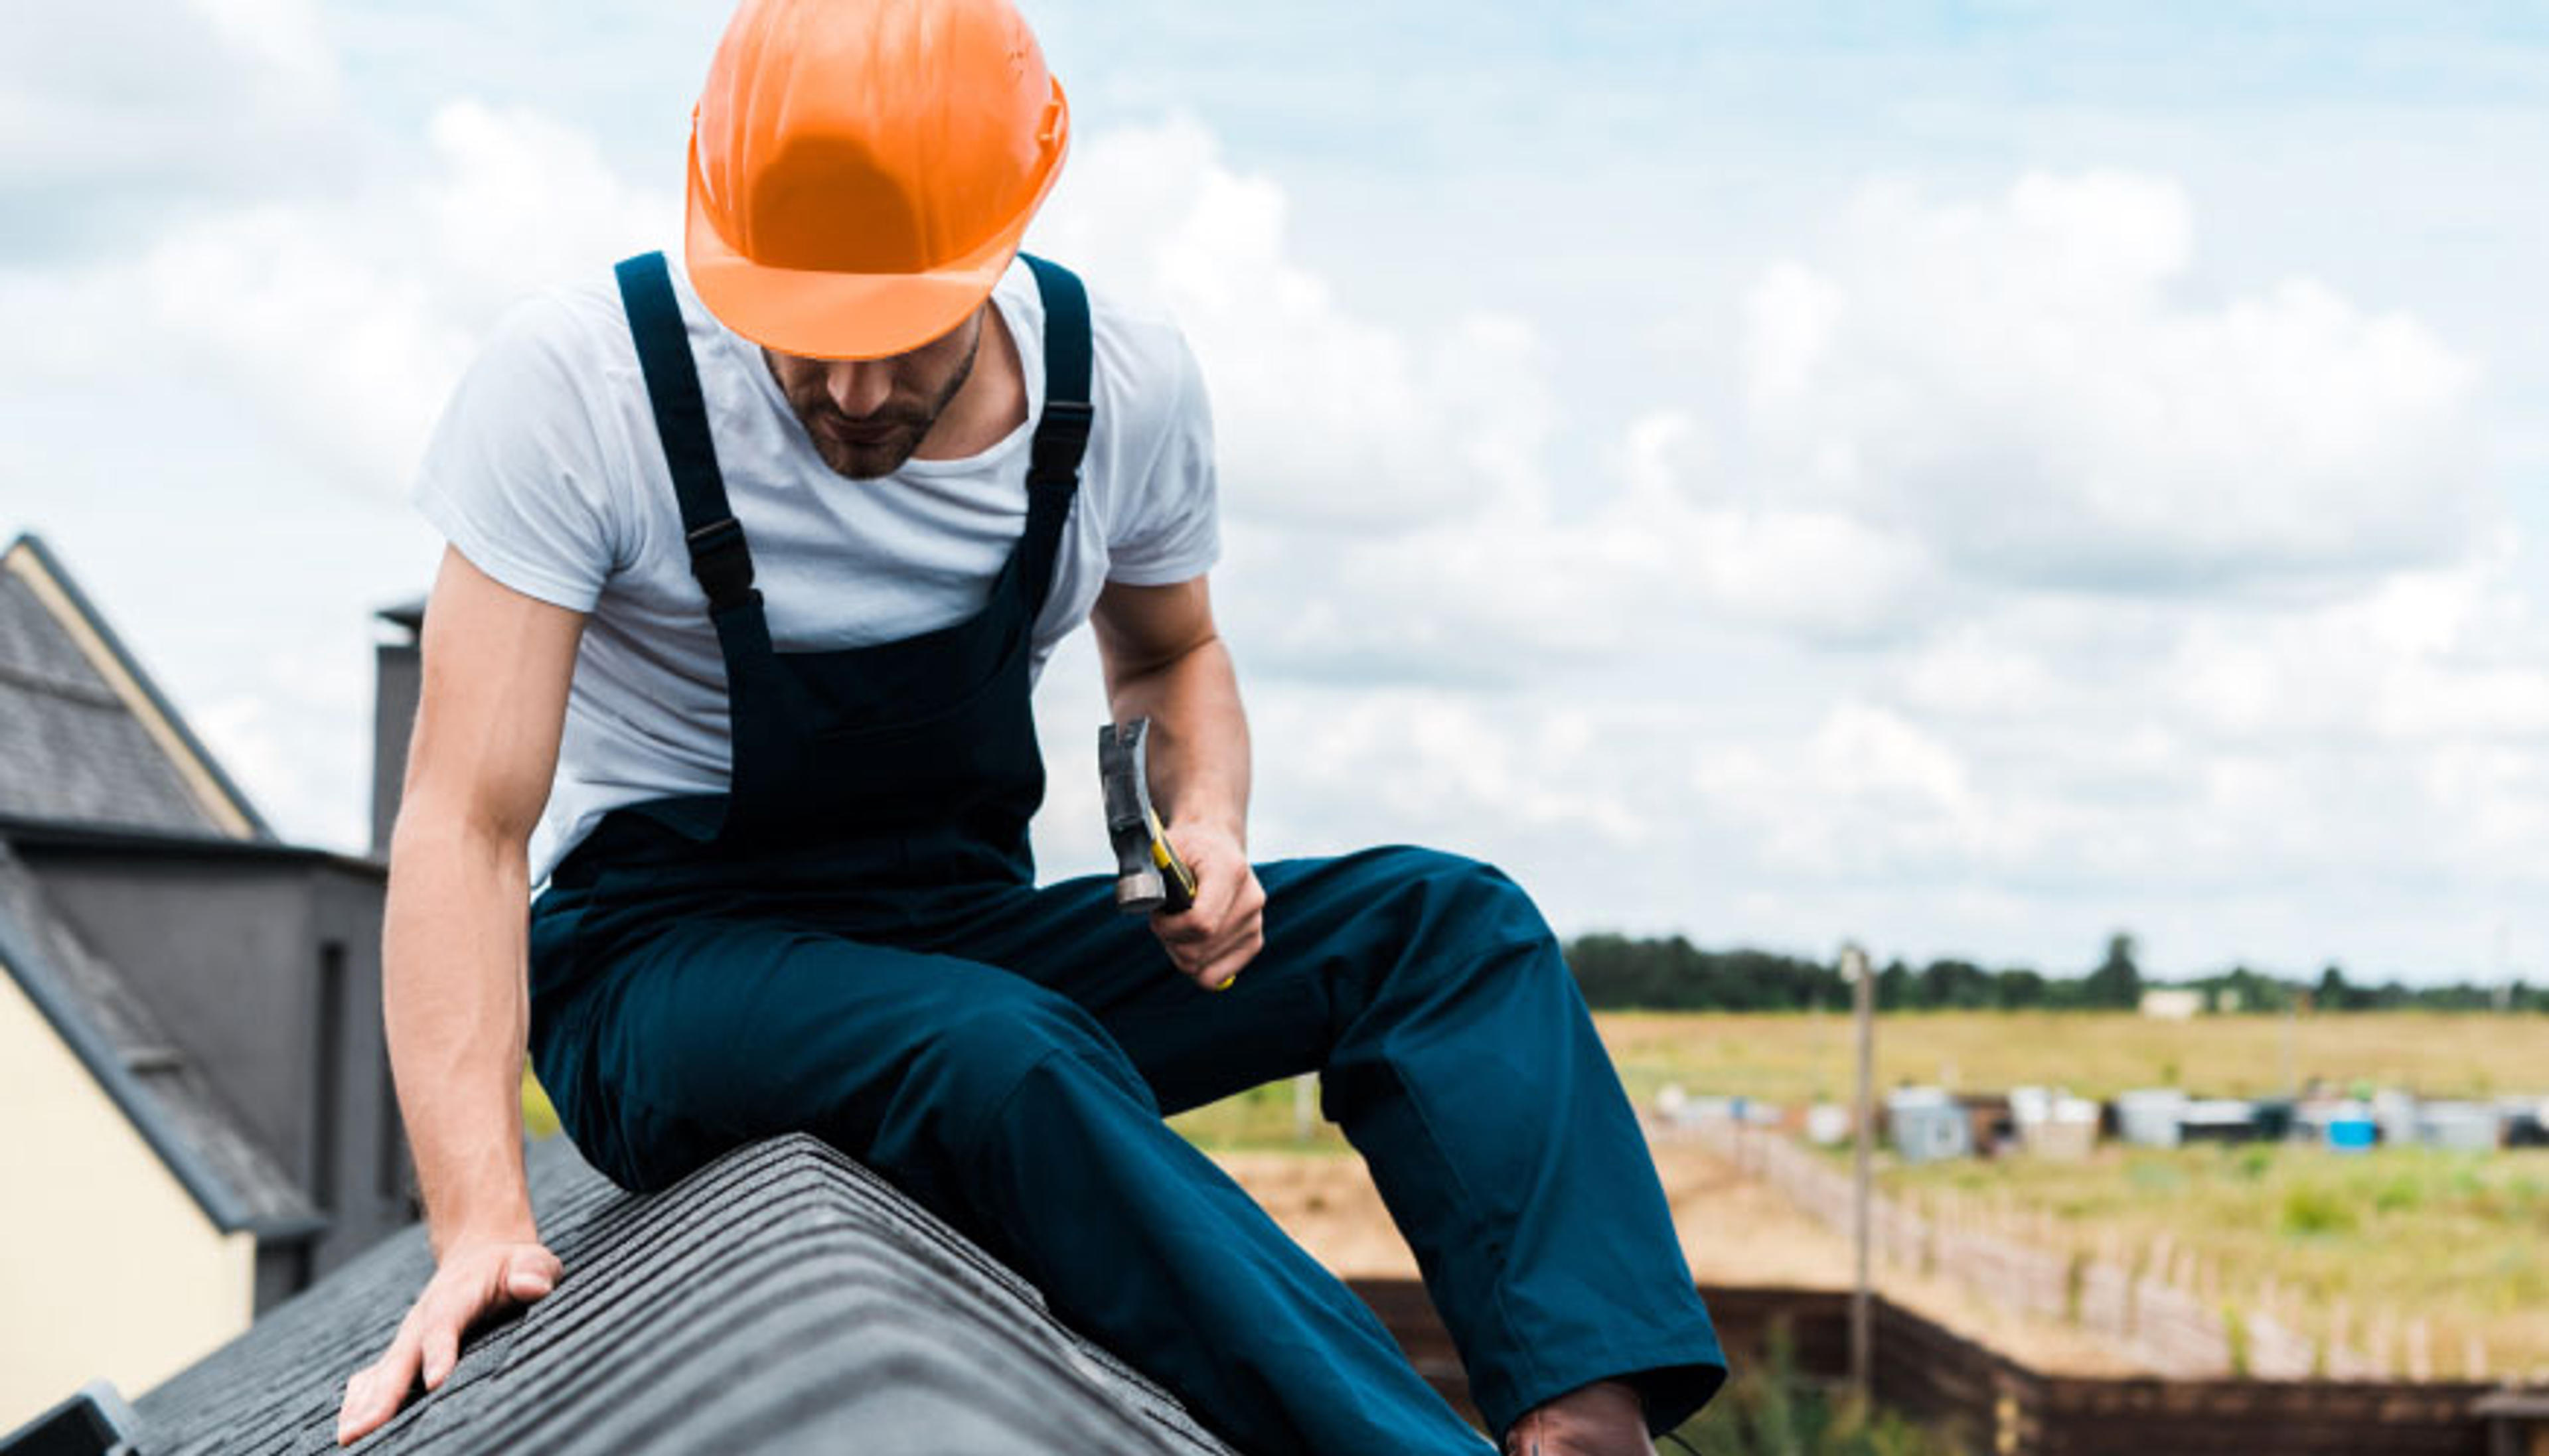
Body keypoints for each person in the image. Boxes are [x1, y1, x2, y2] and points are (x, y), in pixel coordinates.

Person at [333, 1, 1727, 1451]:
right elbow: (467, 821)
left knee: (1450, 927)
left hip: (955, 932)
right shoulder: (583, 386)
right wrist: (480, 1214)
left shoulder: (1117, 383)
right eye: (806, 338)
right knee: (1003, 1052)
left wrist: (1209, 829)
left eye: (899, 335)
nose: (853, 391)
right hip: (664, 970)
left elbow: (1174, 653)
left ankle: (1584, 1424)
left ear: (1003, 241)